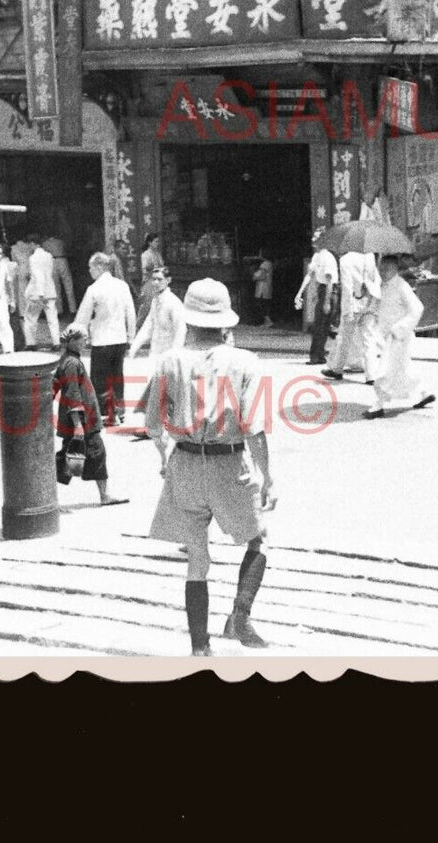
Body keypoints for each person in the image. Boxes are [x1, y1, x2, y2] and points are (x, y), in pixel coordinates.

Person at [144, 279, 278, 656]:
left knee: (196, 559)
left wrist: (163, 457)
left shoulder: (168, 362)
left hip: (184, 462)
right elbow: (255, 427)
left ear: (188, 320)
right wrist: (268, 477)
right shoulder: (245, 362)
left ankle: (200, 648)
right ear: (225, 323)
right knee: (257, 538)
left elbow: (154, 424)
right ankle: (239, 616)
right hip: (229, 464)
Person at [53, 325, 129, 507]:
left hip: (83, 422)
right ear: (73, 341)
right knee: (90, 455)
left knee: (72, 458)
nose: (86, 342)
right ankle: (103, 496)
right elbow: (72, 394)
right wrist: (78, 424)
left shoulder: (69, 360)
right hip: (82, 424)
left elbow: (54, 385)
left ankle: (102, 495)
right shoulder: (72, 363)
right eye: (83, 339)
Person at [365, 255, 436, 420]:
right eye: (381, 269)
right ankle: (424, 393)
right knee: (404, 368)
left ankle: (379, 404)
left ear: (396, 269)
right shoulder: (383, 285)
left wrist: (400, 328)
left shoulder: (401, 286)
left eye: (386, 269)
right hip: (387, 335)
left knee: (384, 370)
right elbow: (381, 305)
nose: (382, 272)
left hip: (398, 336)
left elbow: (417, 308)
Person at [74, 251, 136, 426]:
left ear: (99, 266)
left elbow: (82, 317)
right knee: (117, 375)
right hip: (120, 339)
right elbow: (130, 312)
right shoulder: (122, 286)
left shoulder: (94, 289)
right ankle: (120, 410)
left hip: (102, 339)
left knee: (100, 378)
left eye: (91, 267)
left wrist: (77, 338)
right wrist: (131, 336)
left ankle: (108, 414)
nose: (89, 271)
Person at [322, 250, 381, 383]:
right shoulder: (370, 256)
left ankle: (337, 369)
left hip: (354, 303)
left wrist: (347, 310)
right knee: (369, 339)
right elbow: (376, 279)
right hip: (370, 301)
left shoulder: (345, 260)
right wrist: (375, 301)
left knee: (344, 338)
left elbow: (347, 287)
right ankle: (371, 375)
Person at [294, 228, 339, 365]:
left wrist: (327, 302)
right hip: (322, 289)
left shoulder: (327, 257)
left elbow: (330, 281)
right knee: (321, 325)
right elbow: (309, 275)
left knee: (321, 325)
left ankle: (316, 356)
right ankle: (319, 356)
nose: (313, 240)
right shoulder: (316, 256)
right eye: (313, 237)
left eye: (317, 237)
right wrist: (299, 293)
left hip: (329, 291)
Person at [129, 265, 187, 360]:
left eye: (159, 279)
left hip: (169, 356)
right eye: (153, 279)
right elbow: (148, 327)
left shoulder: (174, 303)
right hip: (155, 354)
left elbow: (180, 331)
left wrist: (174, 356)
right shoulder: (155, 301)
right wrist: (134, 348)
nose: (155, 283)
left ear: (168, 280)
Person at [23, 234, 60, 350]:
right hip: (50, 291)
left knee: (30, 318)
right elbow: (48, 273)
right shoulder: (49, 256)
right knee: (52, 319)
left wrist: (40, 294)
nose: (29, 247)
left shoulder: (33, 258)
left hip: (37, 294)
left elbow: (38, 276)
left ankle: (31, 343)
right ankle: (56, 343)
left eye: (29, 245)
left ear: (33, 244)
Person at [42, 234, 78, 315]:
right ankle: (73, 309)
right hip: (62, 260)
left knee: (56, 287)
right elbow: (68, 250)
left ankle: (59, 310)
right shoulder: (61, 242)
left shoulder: (45, 244)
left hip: (53, 261)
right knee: (68, 285)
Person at [137, 232, 166, 329]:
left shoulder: (157, 254)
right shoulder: (146, 254)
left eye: (158, 242)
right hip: (149, 282)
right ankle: (138, 327)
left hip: (158, 282)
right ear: (150, 243)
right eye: (156, 241)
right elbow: (145, 268)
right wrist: (155, 268)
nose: (157, 243)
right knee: (146, 306)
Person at [251, 254, 275, 328]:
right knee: (264, 305)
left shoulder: (265, 264)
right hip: (266, 288)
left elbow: (262, 275)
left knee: (261, 305)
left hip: (262, 289)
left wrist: (254, 276)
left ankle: (268, 321)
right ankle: (266, 322)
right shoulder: (269, 263)